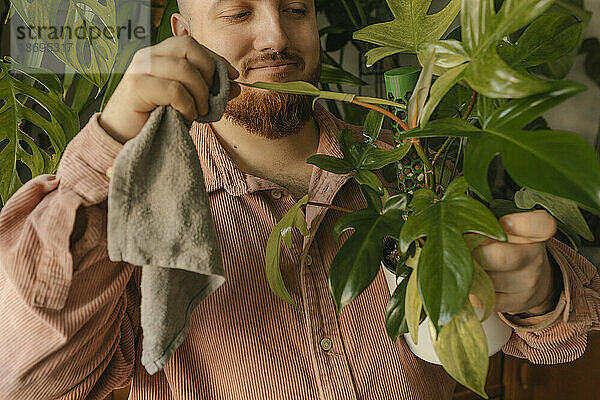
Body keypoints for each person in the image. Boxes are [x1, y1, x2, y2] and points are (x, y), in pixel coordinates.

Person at [0, 0, 598, 399]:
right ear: (184, 36)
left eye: (295, 9)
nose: (276, 38)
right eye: (237, 11)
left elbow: (557, 334)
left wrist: (541, 289)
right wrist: (110, 146)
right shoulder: (139, 205)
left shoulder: (409, 162)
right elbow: (33, 380)